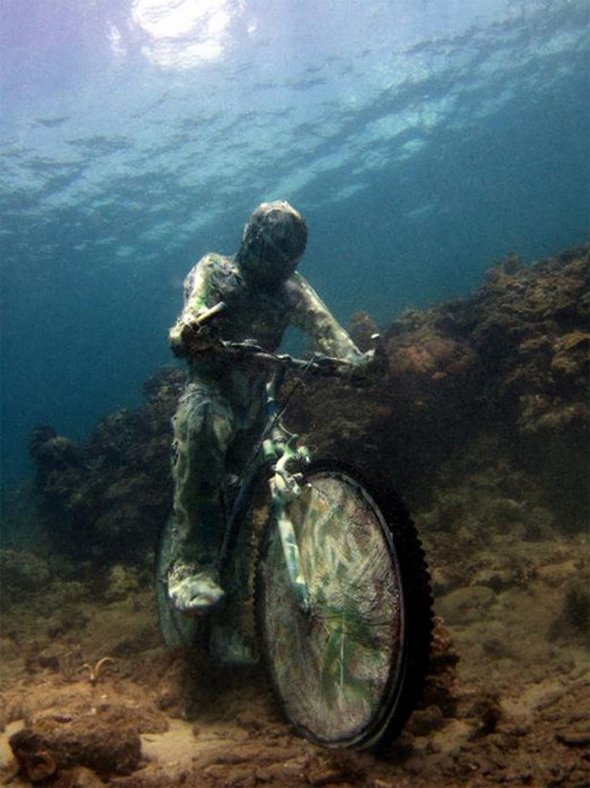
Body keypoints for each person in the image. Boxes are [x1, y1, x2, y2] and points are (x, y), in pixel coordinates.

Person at [167, 200, 374, 615]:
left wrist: (357, 365)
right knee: (204, 427)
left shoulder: (291, 290)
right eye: (272, 246)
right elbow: (186, 323)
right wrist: (191, 332)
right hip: (212, 390)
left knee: (290, 463)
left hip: (260, 401)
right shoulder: (215, 270)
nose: (277, 257)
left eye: (286, 251)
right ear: (252, 239)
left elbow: (325, 331)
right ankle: (191, 565)